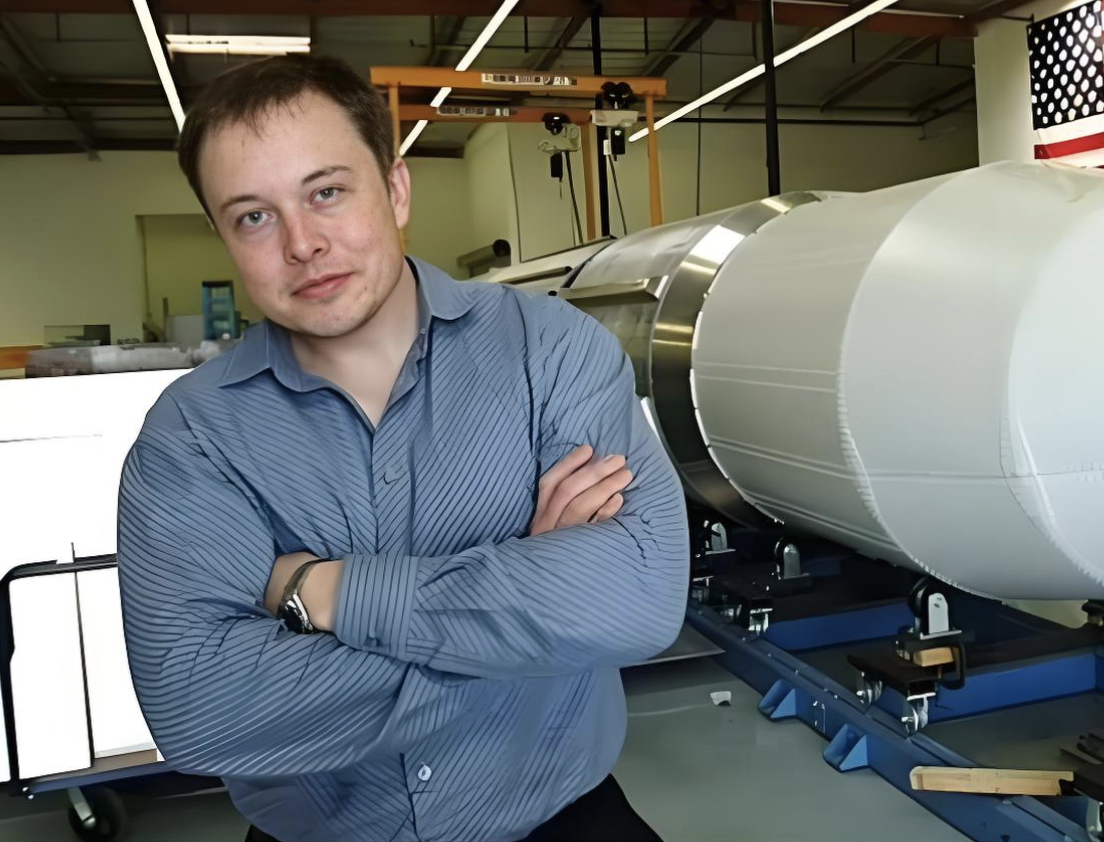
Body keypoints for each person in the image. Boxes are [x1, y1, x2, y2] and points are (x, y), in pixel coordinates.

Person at [116, 55, 690, 842]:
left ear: (395, 190)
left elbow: (637, 597)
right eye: (253, 217)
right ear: (223, 237)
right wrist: (533, 620)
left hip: (564, 820)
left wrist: (322, 593)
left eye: (327, 192)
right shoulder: (191, 437)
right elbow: (199, 707)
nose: (302, 244)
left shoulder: (551, 350)